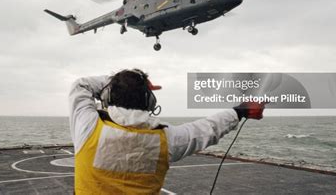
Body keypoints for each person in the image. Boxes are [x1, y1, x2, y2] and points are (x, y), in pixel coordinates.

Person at [69, 69, 265, 195]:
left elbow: (81, 85)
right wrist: (241, 111)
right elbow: (208, 128)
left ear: (108, 95)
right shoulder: (167, 139)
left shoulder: (88, 127)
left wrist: (112, 82)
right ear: (150, 101)